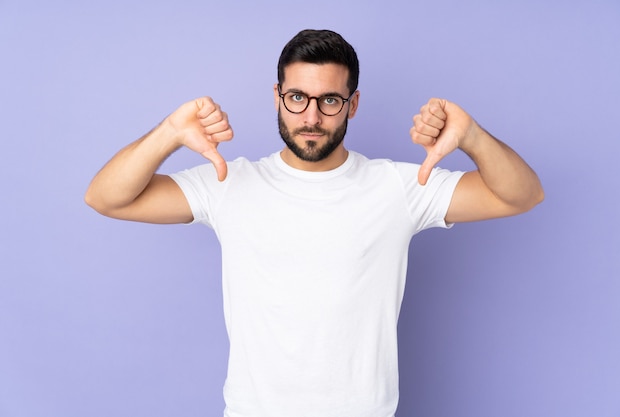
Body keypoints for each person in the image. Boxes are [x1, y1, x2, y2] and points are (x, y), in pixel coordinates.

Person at [85, 29, 543, 417]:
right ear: (278, 96)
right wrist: (168, 132)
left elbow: (522, 195)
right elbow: (106, 197)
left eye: (329, 100)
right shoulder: (228, 183)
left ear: (353, 104)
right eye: (298, 97)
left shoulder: (400, 187)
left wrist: (473, 137)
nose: (311, 117)